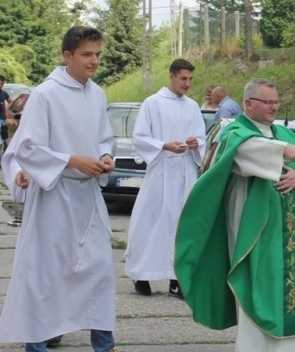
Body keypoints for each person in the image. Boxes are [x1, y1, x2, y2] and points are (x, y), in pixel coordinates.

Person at [175, 78, 295, 351]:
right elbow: (247, 150)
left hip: (286, 237)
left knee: (284, 296)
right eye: (268, 102)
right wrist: (283, 152)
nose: (274, 108)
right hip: (252, 237)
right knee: (255, 292)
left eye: (277, 102)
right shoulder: (234, 133)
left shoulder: (284, 134)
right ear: (248, 103)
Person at [0, 25, 119, 352]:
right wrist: (73, 161)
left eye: (97, 54)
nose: (94, 61)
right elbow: (27, 148)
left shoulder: (97, 93)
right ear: (67, 56)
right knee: (46, 277)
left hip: (89, 198)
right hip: (55, 198)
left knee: (99, 272)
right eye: (86, 55)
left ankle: (104, 344)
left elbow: (104, 138)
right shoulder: (45, 94)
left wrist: (106, 156)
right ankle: (35, 346)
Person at [125, 58, 207, 299]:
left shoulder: (192, 106)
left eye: (191, 79)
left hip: (184, 173)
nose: (187, 84)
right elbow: (139, 137)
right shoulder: (153, 103)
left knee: (182, 225)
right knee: (151, 223)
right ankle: (141, 273)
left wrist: (195, 144)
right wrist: (164, 145)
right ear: (171, 76)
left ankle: (177, 278)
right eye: (183, 79)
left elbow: (201, 137)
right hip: (162, 170)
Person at [0, 75, 10, 152]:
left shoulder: (4, 93)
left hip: (3, 119)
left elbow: (11, 102)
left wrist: (6, 110)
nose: (0, 85)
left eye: (2, 84)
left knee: (4, 137)